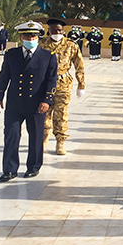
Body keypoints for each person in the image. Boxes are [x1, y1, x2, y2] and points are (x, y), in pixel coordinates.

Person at [0, 21, 58, 182]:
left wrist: (47, 100)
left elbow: (51, 81)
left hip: (37, 104)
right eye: (27, 35)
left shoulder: (48, 56)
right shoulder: (12, 54)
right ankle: (9, 169)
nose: (30, 38)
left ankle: (33, 166)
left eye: (34, 35)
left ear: (38, 37)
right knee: (11, 135)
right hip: (15, 103)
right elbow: (4, 76)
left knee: (36, 136)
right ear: (21, 37)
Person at [39, 18, 86, 155]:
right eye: (54, 30)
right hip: (44, 84)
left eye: (60, 30)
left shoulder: (71, 45)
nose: (57, 33)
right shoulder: (41, 44)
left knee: (61, 114)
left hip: (63, 83)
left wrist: (81, 84)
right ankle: (43, 138)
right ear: (49, 31)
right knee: (44, 112)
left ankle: (60, 142)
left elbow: (79, 65)